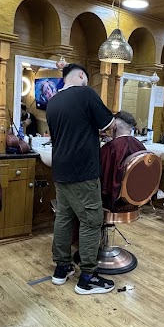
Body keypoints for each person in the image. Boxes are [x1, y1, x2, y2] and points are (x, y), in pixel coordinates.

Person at [47, 63, 117, 294]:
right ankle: (87, 277)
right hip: (83, 171)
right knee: (91, 221)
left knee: (64, 218)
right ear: (80, 76)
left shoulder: (53, 102)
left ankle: (62, 268)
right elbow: (109, 124)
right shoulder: (85, 93)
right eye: (86, 78)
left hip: (61, 169)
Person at [99, 110, 146, 209]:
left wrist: (107, 145)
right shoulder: (139, 145)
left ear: (114, 127)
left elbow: (102, 174)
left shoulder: (110, 148)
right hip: (134, 196)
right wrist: (111, 143)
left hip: (113, 198)